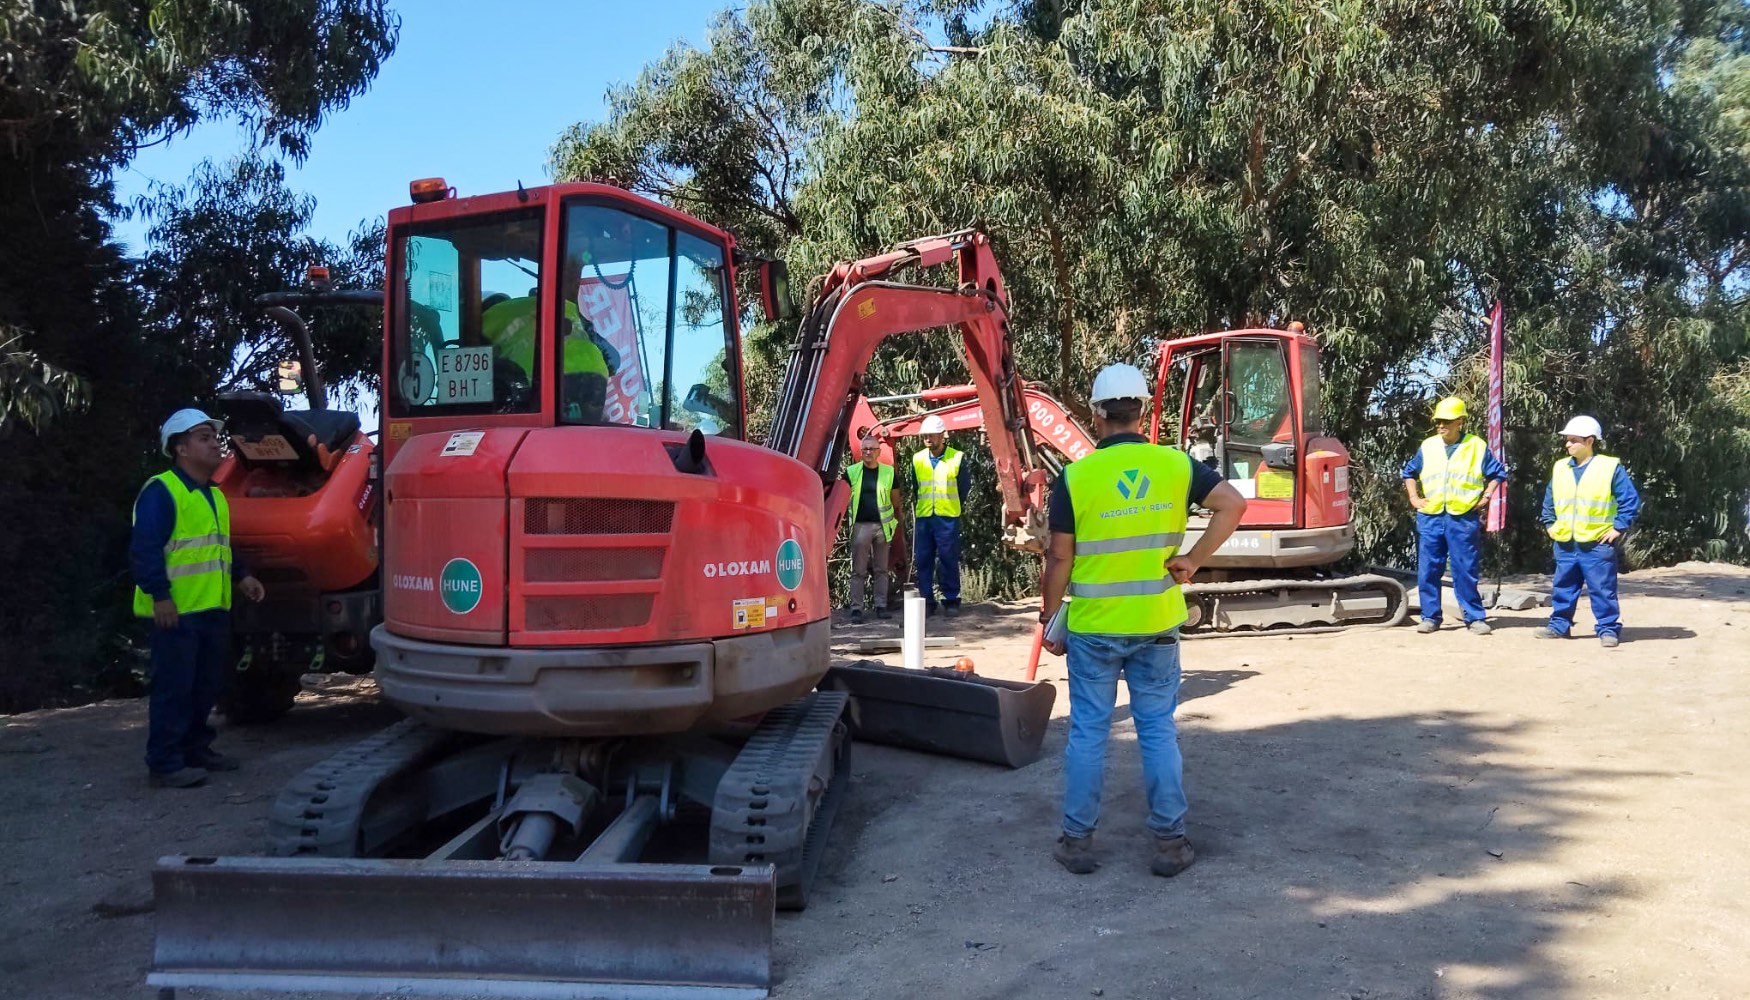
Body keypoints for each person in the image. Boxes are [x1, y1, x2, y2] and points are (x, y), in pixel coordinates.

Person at [1040, 364, 1247, 877]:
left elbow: (1059, 557)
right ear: (1143, 410)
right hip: (1156, 624)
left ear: (1096, 414)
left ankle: (1077, 842)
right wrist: (1193, 560)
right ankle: (1170, 844)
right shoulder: (1176, 465)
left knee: (1089, 732)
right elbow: (1233, 504)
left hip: (1093, 627)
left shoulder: (1076, 477)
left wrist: (1049, 616)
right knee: (1156, 730)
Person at [131, 409, 265, 788]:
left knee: (205, 686)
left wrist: (242, 575)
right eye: (204, 438)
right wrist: (160, 596)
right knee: (174, 688)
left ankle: (195, 749)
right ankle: (165, 763)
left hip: (210, 609)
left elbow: (220, 547)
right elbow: (144, 549)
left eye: (214, 437)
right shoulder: (161, 491)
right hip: (176, 612)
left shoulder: (214, 495)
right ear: (181, 448)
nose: (215, 444)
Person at [1401, 397, 1507, 634]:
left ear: (1460, 421)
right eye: (1438, 421)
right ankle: (1430, 617)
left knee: (1464, 569)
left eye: (1447, 421)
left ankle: (1474, 618)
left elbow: (1498, 473)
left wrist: (1487, 496)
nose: (1441, 425)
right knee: (1429, 569)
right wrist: (1414, 498)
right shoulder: (1428, 446)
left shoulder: (1476, 446)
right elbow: (1409, 472)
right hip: (1432, 516)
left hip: (1462, 517)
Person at [1537, 415, 1640, 647]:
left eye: (1573, 440)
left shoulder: (1609, 468)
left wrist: (1618, 527)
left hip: (1596, 542)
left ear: (1590, 441)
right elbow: (1549, 499)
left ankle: (1608, 629)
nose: (1568, 444)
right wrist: (1549, 524)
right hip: (1565, 541)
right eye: (1567, 440)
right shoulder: (1560, 467)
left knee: (1602, 589)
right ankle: (1559, 625)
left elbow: (1630, 500)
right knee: (1563, 586)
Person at [909, 414, 968, 614]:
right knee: (923, 559)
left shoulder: (957, 458)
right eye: (925, 435)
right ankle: (927, 602)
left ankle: (951, 600)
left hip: (947, 517)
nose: (928, 438)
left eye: (932, 435)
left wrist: (951, 504)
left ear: (942, 435)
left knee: (948, 558)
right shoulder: (917, 459)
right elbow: (915, 487)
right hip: (925, 517)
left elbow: (964, 487)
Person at [844, 435, 903, 621]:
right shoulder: (851, 472)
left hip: (882, 527)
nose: (868, 452)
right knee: (858, 570)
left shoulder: (889, 473)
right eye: (865, 449)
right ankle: (857, 609)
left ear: (878, 452)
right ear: (861, 452)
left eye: (871, 449)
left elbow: (895, 500)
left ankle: (881, 606)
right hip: (860, 526)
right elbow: (841, 497)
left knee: (881, 569)